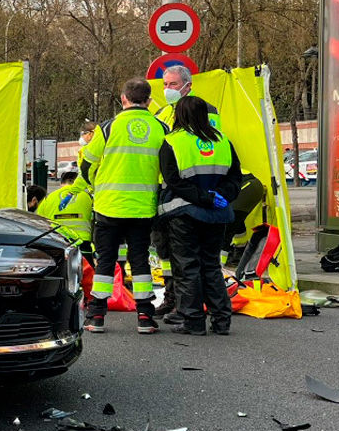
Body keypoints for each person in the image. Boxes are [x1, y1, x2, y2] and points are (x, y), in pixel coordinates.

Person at [80, 78, 167, 334]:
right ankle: (145, 317)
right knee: (140, 261)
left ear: (123, 99)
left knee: (105, 261)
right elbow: (168, 169)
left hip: (109, 207)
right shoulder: (161, 128)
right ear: (149, 101)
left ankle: (96, 315)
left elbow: (87, 165)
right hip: (143, 208)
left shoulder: (108, 128)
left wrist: (96, 185)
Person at [158, 95, 244, 335]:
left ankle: (193, 321)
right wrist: (221, 196)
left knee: (187, 268)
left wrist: (203, 197)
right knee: (211, 266)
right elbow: (235, 178)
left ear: (179, 115)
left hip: (184, 214)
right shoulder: (223, 141)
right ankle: (221, 321)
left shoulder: (172, 142)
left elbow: (173, 181)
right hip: (218, 214)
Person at [152, 67, 221, 324]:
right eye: (165, 84)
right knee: (166, 252)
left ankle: (190, 306)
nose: (167, 89)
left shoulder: (207, 112)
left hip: (191, 193)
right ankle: (172, 297)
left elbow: (208, 147)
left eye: (173, 84)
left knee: (190, 258)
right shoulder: (161, 113)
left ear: (188, 86)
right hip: (166, 193)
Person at [35, 171, 93, 258]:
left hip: (57, 242)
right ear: (77, 182)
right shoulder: (87, 197)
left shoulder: (48, 198)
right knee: (85, 270)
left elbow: (39, 222)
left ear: (61, 183)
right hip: (82, 242)